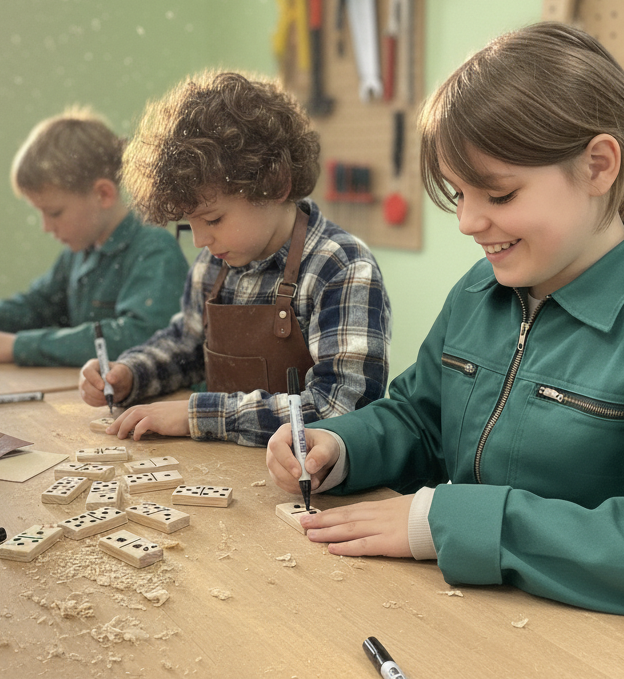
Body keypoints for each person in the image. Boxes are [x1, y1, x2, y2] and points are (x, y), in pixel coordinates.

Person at [266, 22, 624, 638]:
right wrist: (341, 447)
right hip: (486, 617)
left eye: (499, 194)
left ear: (598, 166)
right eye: (459, 193)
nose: (467, 221)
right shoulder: (480, 290)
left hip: (619, 645)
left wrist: (451, 523)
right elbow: (421, 420)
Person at [77, 70, 391, 446]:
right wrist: (130, 373)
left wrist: (199, 415)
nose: (200, 240)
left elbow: (340, 406)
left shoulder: (341, 268)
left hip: (306, 477)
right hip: (225, 467)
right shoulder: (215, 262)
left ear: (276, 184)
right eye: (189, 223)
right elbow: (186, 345)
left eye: (213, 219)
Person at [0, 107, 188, 367]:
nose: (46, 227)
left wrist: (21, 347)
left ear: (103, 194)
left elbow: (139, 336)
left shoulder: (155, 250)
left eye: (54, 213)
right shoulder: (80, 250)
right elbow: (39, 304)